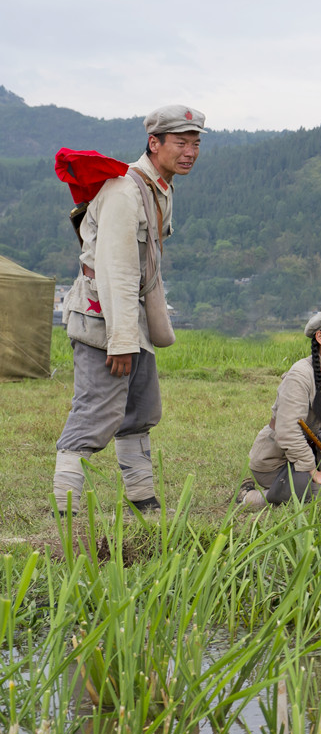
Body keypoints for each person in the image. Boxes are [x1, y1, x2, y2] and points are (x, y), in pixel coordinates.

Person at [52, 104, 206, 515]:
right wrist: (121, 341)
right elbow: (116, 269)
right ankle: (64, 511)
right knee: (97, 411)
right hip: (105, 314)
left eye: (195, 143)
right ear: (154, 143)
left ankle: (143, 499)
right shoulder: (125, 191)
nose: (189, 151)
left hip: (131, 314)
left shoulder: (160, 189)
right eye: (180, 142)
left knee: (140, 408)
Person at [242, 306, 321, 506]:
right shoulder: (300, 375)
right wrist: (314, 472)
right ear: (320, 338)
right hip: (277, 461)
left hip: (316, 454)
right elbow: (288, 430)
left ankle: (288, 490)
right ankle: (250, 498)